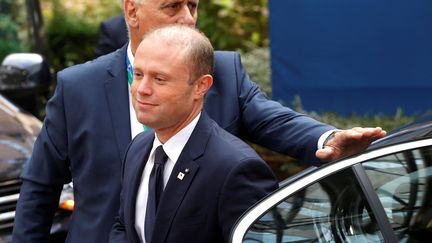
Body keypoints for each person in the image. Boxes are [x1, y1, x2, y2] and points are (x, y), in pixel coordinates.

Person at [12, 0, 386, 242]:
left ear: (201, 86)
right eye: (173, 6)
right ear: (132, 11)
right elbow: (40, 186)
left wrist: (327, 137)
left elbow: (271, 118)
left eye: (193, 5)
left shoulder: (221, 71)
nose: (188, 18)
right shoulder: (78, 86)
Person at [109, 24, 278, 243]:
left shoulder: (237, 168)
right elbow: (124, 226)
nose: (142, 89)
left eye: (159, 79)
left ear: (201, 86)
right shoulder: (138, 148)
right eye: (138, 74)